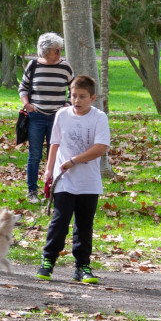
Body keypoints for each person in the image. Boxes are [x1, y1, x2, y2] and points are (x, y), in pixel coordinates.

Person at [39, 75, 111, 284]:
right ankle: (48, 261)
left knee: (84, 225)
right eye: (73, 96)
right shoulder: (62, 115)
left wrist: (74, 160)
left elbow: (100, 148)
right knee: (59, 221)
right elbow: (54, 143)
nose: (76, 101)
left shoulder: (99, 118)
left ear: (92, 98)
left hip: (88, 181)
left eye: (82, 97)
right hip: (65, 181)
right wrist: (49, 169)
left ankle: (82, 266)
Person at [19, 33, 75, 204]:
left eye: (60, 50)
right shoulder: (34, 65)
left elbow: (74, 89)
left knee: (58, 154)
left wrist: (67, 104)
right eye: (55, 50)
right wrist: (27, 103)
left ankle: (55, 190)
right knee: (35, 155)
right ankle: (32, 191)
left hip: (58, 118)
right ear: (45, 52)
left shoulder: (65, 67)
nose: (59, 53)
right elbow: (23, 87)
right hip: (36, 116)